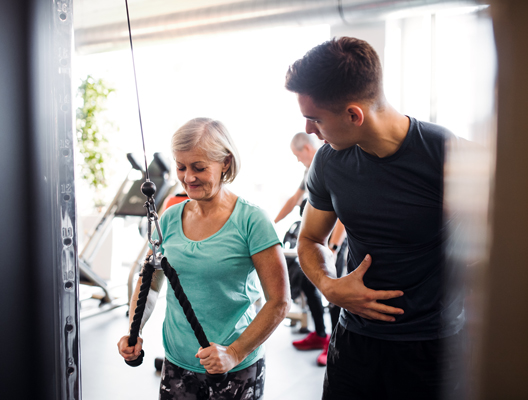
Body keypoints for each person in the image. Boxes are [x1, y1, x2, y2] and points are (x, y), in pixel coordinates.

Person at [285, 37, 465, 399]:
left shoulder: (446, 155)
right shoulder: (328, 162)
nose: (308, 130)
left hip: (434, 346)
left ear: (354, 115)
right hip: (355, 343)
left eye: (315, 119)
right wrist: (328, 285)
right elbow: (310, 240)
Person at [117, 117, 290, 400]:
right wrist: (133, 330)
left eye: (199, 167)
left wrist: (234, 353)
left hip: (234, 366)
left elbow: (279, 302)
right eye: (181, 167)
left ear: (225, 163)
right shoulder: (171, 217)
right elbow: (152, 282)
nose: (188, 177)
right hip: (177, 361)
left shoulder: (252, 220)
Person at [275, 132, 347, 366]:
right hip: (319, 240)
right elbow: (295, 199)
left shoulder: (333, 163)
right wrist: (271, 223)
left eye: (297, 155)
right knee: (307, 280)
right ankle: (320, 334)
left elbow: (342, 214)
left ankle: (334, 344)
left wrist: (334, 247)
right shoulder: (312, 170)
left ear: (306, 148)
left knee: (335, 290)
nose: (297, 160)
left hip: (336, 240)